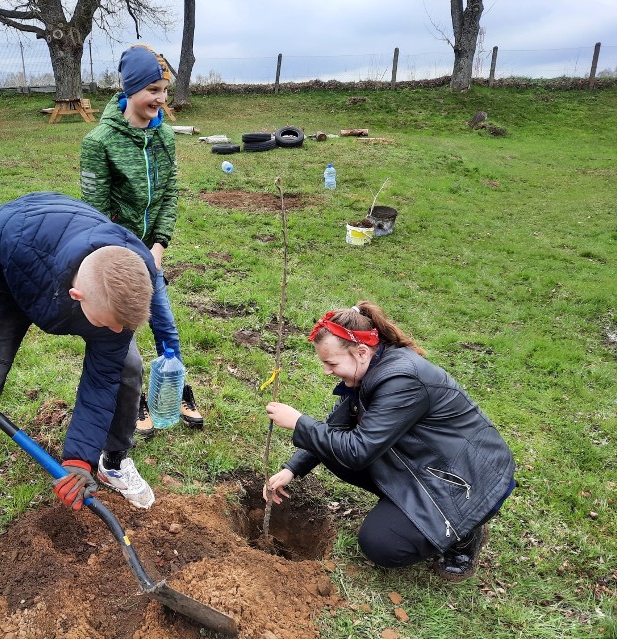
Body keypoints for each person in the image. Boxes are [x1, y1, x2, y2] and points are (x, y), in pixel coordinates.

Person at [0, 192, 159, 596]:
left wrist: (78, 460)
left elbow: (100, 379)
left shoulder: (131, 270)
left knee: (126, 366)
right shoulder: (11, 231)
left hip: (70, 273)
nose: (115, 334)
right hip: (12, 280)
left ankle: (113, 460)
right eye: (108, 325)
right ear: (78, 300)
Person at [264, 302, 515, 581]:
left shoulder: (401, 379)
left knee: (382, 545)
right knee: (334, 447)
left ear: (361, 352)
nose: (326, 371)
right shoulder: (371, 367)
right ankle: (407, 509)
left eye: (331, 363)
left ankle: (465, 531)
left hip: (466, 480)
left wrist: (299, 422)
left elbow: (358, 451)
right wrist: (292, 469)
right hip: (425, 464)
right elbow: (334, 428)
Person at [80, 44, 204, 439]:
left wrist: (159, 246)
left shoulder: (165, 137)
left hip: (153, 254)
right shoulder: (99, 142)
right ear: (131, 89)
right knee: (126, 330)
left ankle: (179, 390)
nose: (161, 99)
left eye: (165, 90)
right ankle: (134, 401)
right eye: (153, 90)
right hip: (118, 256)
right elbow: (95, 217)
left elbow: (169, 194)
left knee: (166, 326)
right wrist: (135, 257)